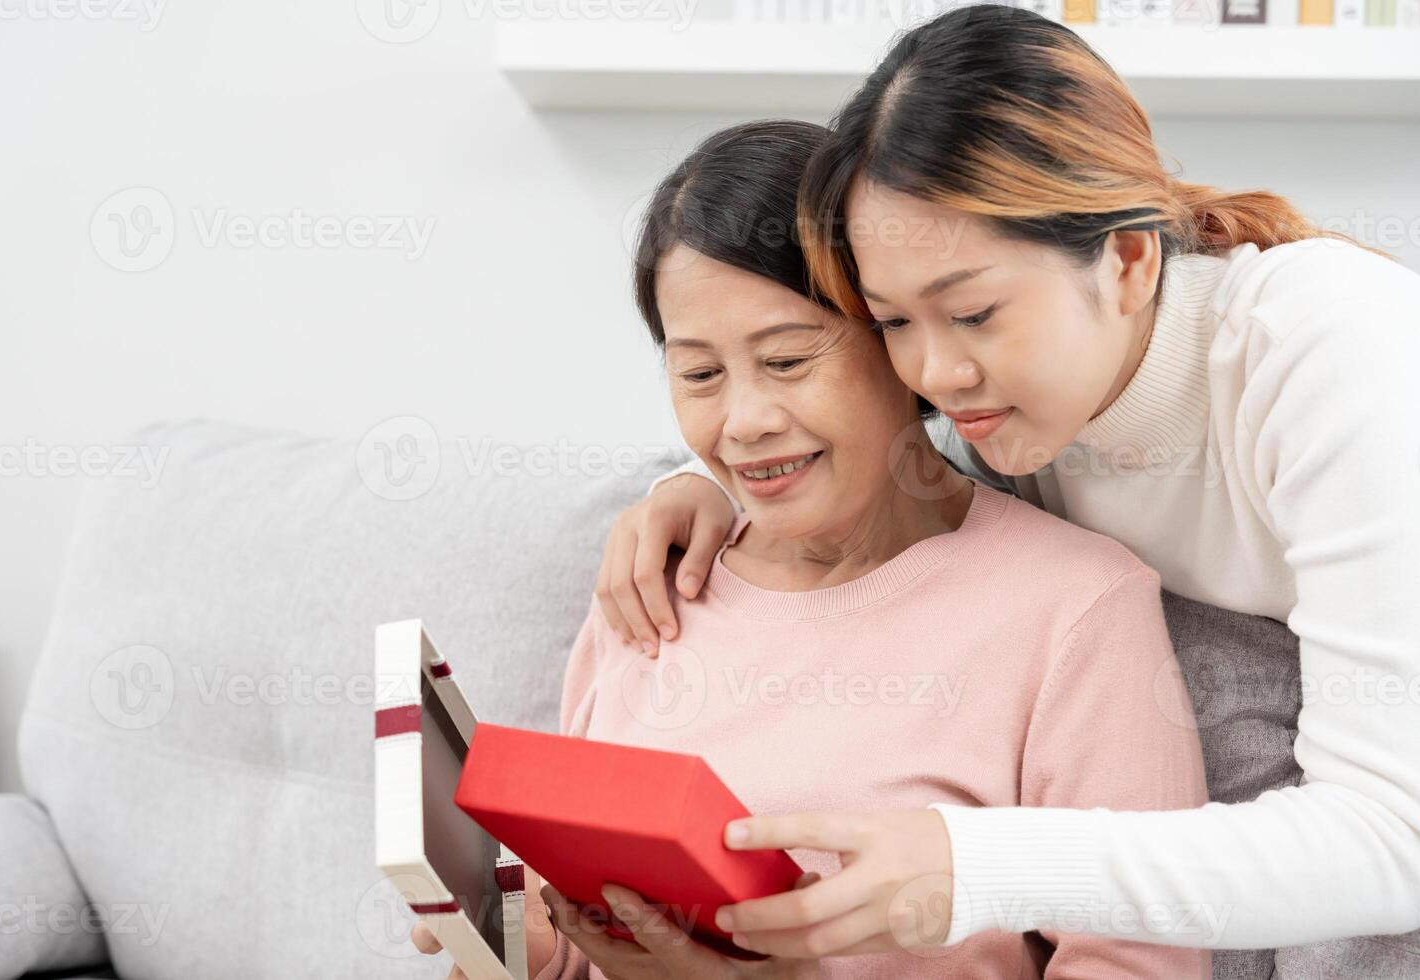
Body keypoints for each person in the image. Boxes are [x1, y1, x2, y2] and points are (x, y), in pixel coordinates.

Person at [596, 5, 1420, 974]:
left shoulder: (1340, 353)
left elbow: (1396, 843)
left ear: (1130, 259)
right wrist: (699, 485)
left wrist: (972, 864)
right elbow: (823, 403)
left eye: (971, 311)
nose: (935, 371)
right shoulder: (1014, 391)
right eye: (892, 320)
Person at [415, 118, 1211, 979]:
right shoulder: (653, 583)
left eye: (789, 361)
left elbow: (1141, 966)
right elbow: (590, 939)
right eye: (699, 374)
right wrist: (527, 950)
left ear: (899, 338)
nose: (744, 422)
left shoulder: (1074, 609)